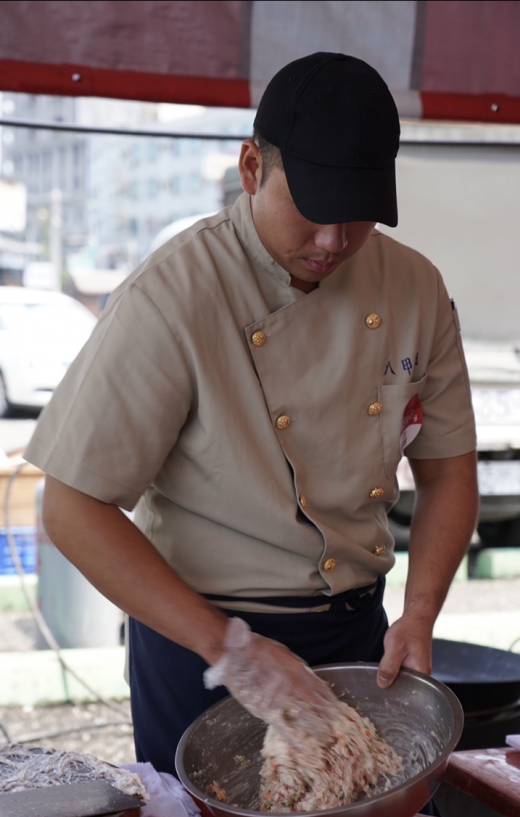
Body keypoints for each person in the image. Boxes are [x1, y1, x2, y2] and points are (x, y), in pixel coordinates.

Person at [25, 52, 478, 776]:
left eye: (356, 212)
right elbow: (73, 506)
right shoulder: (174, 293)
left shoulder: (415, 289)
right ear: (249, 169)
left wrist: (418, 615)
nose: (332, 240)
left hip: (359, 634)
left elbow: (449, 469)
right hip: (203, 644)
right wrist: (231, 650)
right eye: (312, 207)